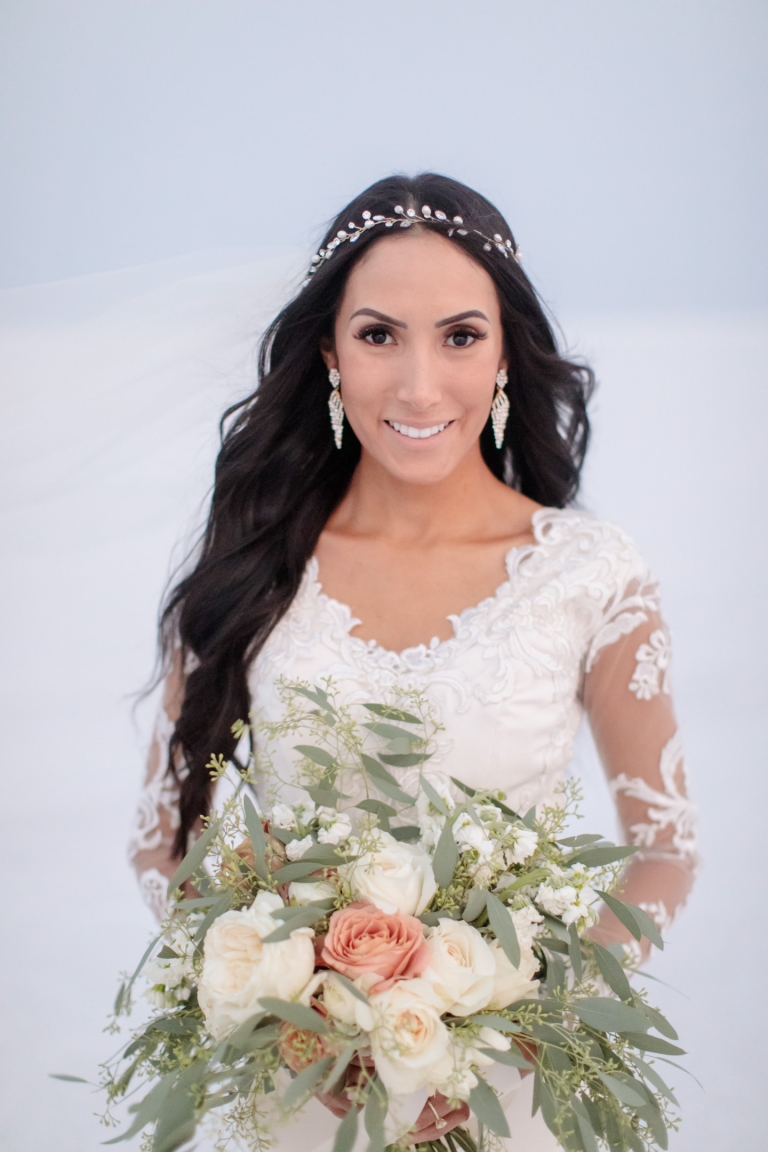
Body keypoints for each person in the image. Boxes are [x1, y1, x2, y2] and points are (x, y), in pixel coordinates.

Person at [128, 173, 698, 1149]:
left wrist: (514, 1026)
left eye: (460, 336)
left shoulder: (592, 577)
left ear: (507, 354)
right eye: (379, 334)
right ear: (328, 353)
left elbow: (661, 855)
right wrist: (296, 1014)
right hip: (309, 1095)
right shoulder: (252, 572)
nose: (419, 385)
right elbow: (168, 845)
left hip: (512, 1096)